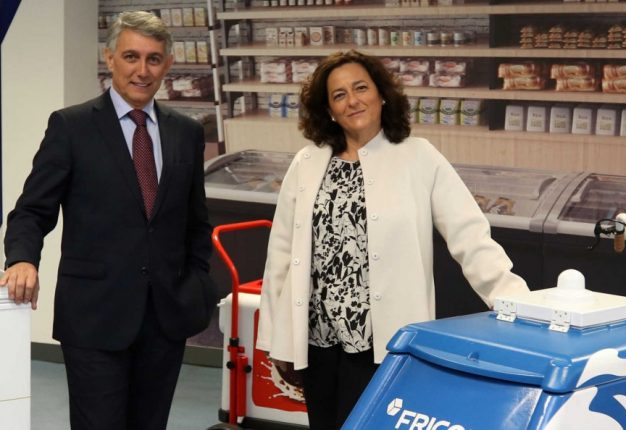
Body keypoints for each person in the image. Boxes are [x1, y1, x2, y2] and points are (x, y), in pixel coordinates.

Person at [255, 50, 529, 429]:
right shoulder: (307, 162)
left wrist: (520, 306)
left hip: (383, 344)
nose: (352, 101)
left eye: (361, 88)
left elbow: (470, 237)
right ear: (329, 110)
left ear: (382, 94)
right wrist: (275, 336)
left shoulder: (418, 157)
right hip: (318, 341)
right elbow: (282, 254)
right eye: (339, 95)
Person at [0, 11, 216, 430]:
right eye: (131, 56)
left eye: (153, 59)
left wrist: (196, 285)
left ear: (168, 64)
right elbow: (32, 210)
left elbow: (196, 222)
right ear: (110, 58)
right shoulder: (71, 126)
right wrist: (22, 259)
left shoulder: (186, 133)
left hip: (166, 318)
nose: (142, 70)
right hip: (93, 317)